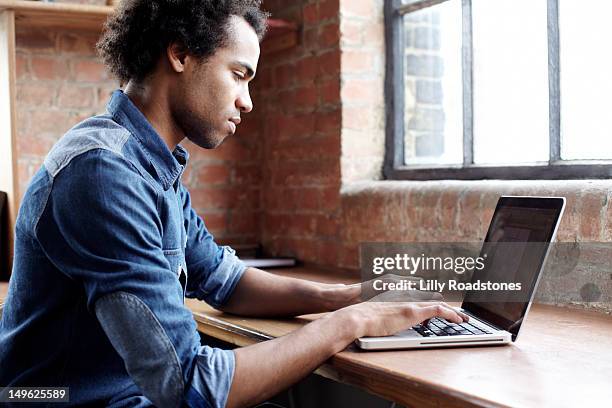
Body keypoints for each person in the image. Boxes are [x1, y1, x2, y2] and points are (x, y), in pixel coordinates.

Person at [0, 1, 467, 407]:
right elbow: (187, 385)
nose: (247, 102)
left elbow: (226, 281)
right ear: (180, 53)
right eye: (239, 75)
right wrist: (353, 321)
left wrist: (348, 296)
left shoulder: (147, 165)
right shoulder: (103, 174)